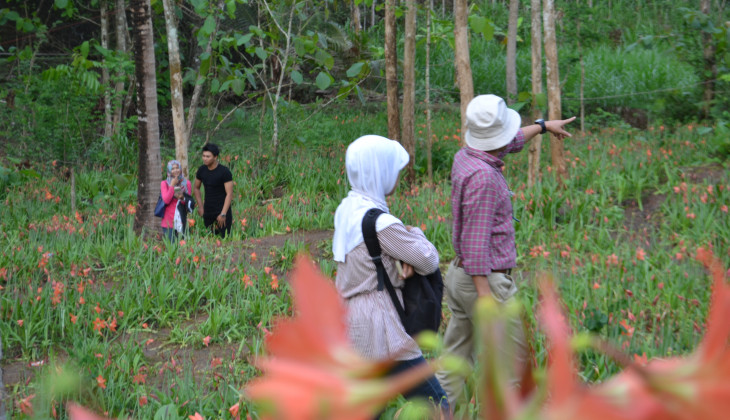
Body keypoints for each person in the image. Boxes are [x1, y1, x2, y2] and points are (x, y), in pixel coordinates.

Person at [435, 94, 576, 408]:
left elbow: (508, 142)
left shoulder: (466, 156)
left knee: (455, 361)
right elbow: (475, 242)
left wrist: (541, 127)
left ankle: (438, 414)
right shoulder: (484, 178)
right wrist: (487, 299)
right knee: (514, 367)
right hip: (484, 283)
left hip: (458, 277)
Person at [332, 135, 449, 415]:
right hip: (381, 326)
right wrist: (414, 233)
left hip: (351, 321)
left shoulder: (347, 209)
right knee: (438, 404)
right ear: (378, 170)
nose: (396, 174)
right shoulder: (380, 222)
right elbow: (428, 259)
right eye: (392, 168)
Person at [194, 143, 233, 238]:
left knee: (226, 239)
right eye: (203, 156)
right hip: (208, 210)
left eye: (208, 156)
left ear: (215, 157)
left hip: (222, 210)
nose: (205, 158)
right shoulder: (202, 170)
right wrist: (200, 207)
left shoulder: (224, 172)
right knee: (209, 238)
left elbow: (229, 194)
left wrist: (223, 213)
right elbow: (196, 188)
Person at [160, 160, 193, 241]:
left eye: (177, 168)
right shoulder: (164, 183)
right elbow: (166, 200)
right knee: (171, 247)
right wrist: (172, 185)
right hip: (169, 222)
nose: (175, 170)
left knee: (183, 248)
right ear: (169, 170)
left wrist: (182, 198)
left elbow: (189, 202)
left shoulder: (187, 183)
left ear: (180, 169)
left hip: (182, 220)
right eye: (173, 168)